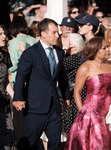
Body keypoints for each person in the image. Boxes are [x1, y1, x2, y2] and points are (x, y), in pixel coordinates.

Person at [12, 18, 70, 150]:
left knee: (55, 144)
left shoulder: (59, 52)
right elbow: (21, 76)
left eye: (57, 32)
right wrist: (18, 98)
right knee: (29, 143)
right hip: (35, 107)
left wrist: (66, 96)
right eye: (54, 32)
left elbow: (62, 77)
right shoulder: (30, 53)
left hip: (54, 107)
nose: (57, 35)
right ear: (43, 33)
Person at [64, 36, 111, 150]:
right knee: (96, 143)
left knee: (108, 142)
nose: (108, 50)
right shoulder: (85, 68)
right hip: (92, 112)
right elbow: (77, 91)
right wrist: (82, 112)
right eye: (104, 48)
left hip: (110, 111)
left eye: (107, 47)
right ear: (95, 50)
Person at [8, 16, 37, 149]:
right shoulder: (34, 40)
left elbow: (13, 65)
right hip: (33, 81)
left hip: (17, 82)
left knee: (18, 118)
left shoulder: (13, 42)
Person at [0, 25, 16, 150]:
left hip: (3, 102)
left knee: (9, 134)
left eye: (4, 34)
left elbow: (6, 82)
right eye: (0, 34)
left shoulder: (4, 54)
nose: (4, 36)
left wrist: (16, 97)